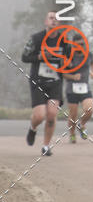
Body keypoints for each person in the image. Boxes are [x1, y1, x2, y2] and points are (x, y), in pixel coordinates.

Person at [22, 11, 63, 157]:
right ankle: (33, 128)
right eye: (51, 18)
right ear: (46, 21)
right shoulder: (36, 38)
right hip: (38, 80)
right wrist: (40, 56)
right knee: (40, 116)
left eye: (57, 19)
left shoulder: (64, 40)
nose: (54, 20)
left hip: (55, 82)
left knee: (52, 114)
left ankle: (46, 146)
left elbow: (70, 60)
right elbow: (24, 57)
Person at [63, 44, 93, 143]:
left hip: (85, 88)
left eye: (82, 44)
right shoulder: (68, 56)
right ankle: (72, 134)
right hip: (71, 89)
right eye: (77, 44)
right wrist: (73, 77)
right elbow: (63, 74)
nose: (80, 46)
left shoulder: (88, 55)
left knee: (89, 109)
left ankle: (82, 124)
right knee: (73, 115)